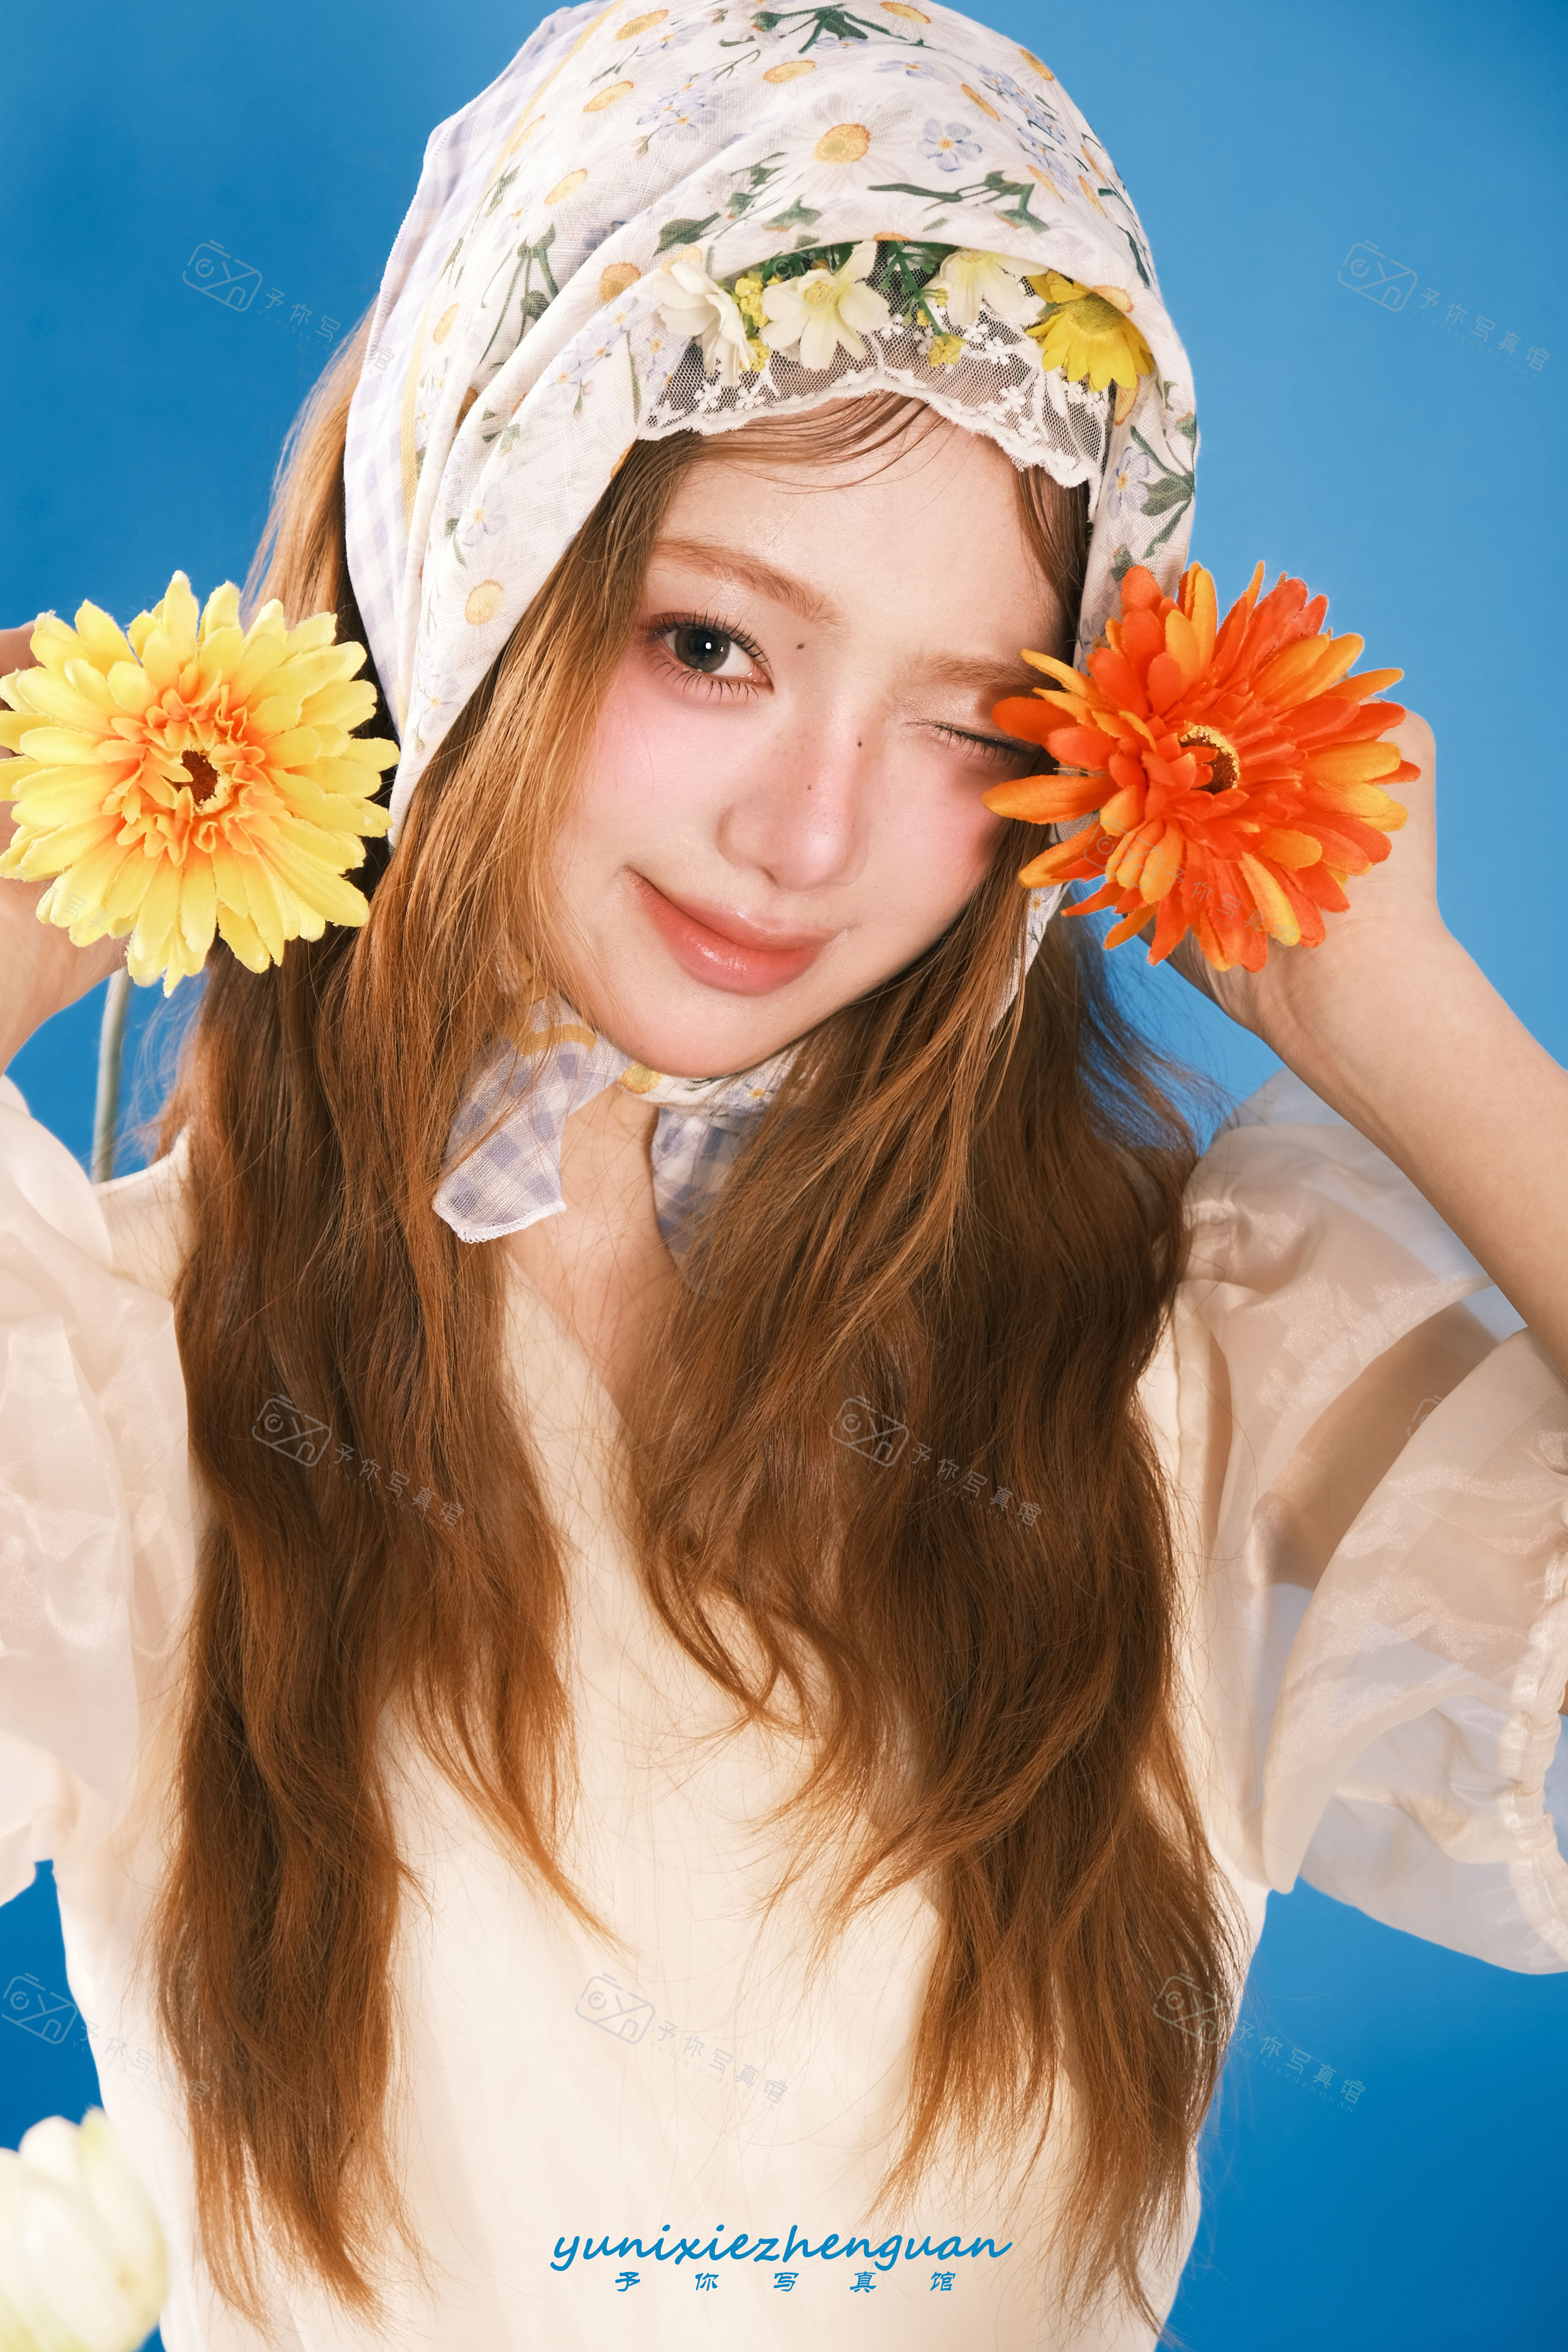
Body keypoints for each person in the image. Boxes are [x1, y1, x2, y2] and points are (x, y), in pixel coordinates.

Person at [2, 3, 1565, 2346]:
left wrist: (1409, 1018)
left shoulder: (1194, 1358)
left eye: (975, 717)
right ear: (459, 573)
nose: (813, 837)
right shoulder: (127, 1370)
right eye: (712, 642)